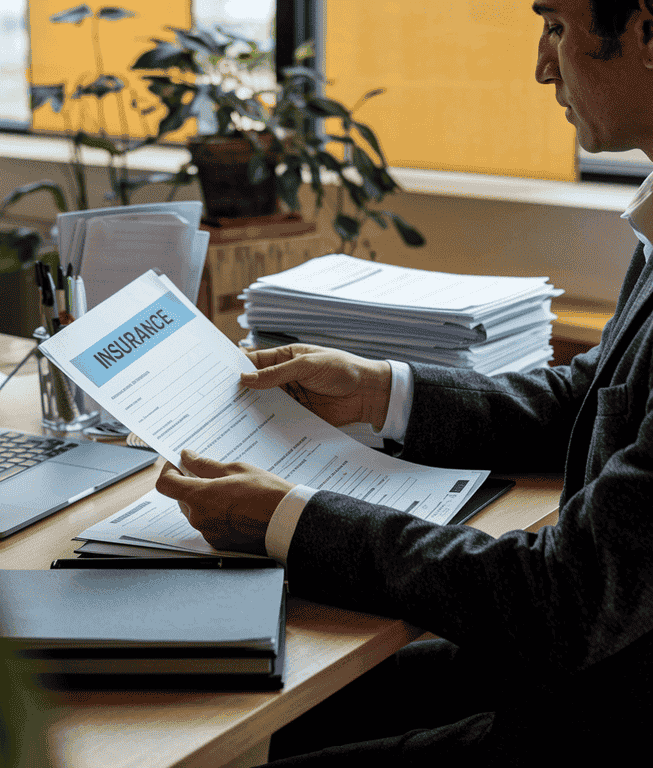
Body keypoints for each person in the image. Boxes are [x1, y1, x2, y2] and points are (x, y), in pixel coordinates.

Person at [157, 0, 653, 763]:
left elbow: (566, 598)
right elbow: (590, 397)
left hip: (607, 708)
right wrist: (380, 390)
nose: (540, 65)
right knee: (258, 713)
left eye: (557, 27)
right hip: (590, 662)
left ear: (649, 33)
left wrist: (291, 518)